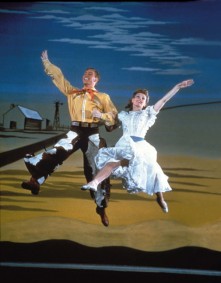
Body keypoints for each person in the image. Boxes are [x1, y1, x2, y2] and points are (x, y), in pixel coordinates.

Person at [21, 50, 119, 227]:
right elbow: (59, 78)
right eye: (84, 74)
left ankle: (101, 208)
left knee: (96, 169)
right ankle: (35, 181)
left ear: (96, 79)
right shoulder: (73, 93)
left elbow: (114, 116)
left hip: (93, 134)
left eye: (89, 74)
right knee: (56, 152)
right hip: (75, 130)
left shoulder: (103, 97)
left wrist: (102, 115)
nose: (85, 76)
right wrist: (47, 62)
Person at [81, 79, 194, 220]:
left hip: (141, 146)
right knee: (112, 163)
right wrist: (100, 116)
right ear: (132, 100)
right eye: (138, 97)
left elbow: (164, 100)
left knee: (154, 172)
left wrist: (177, 87)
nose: (140, 99)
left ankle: (160, 198)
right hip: (125, 144)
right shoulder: (123, 115)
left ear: (146, 103)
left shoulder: (148, 114)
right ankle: (94, 183)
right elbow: (110, 123)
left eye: (143, 98)